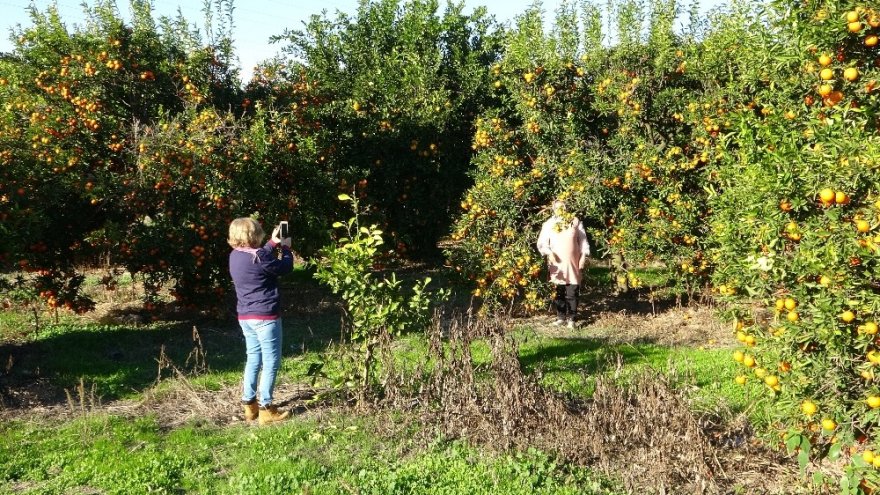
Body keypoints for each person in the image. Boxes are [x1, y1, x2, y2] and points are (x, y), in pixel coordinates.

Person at [228, 217, 294, 425]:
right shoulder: (260, 257)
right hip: (265, 316)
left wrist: (273, 243)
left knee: (253, 357)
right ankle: (266, 408)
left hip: (245, 316)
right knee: (271, 361)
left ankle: (249, 405)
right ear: (253, 235)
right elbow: (285, 267)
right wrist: (286, 248)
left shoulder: (235, 256)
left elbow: (257, 255)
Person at [536, 200, 590, 328]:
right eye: (557, 207)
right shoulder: (549, 224)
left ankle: (571, 319)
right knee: (559, 291)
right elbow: (542, 242)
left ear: (566, 208)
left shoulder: (575, 221)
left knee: (572, 291)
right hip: (557, 263)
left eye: (563, 207)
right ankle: (560, 317)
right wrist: (549, 253)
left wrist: (583, 257)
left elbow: (583, 242)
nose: (560, 209)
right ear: (553, 209)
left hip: (573, 262)